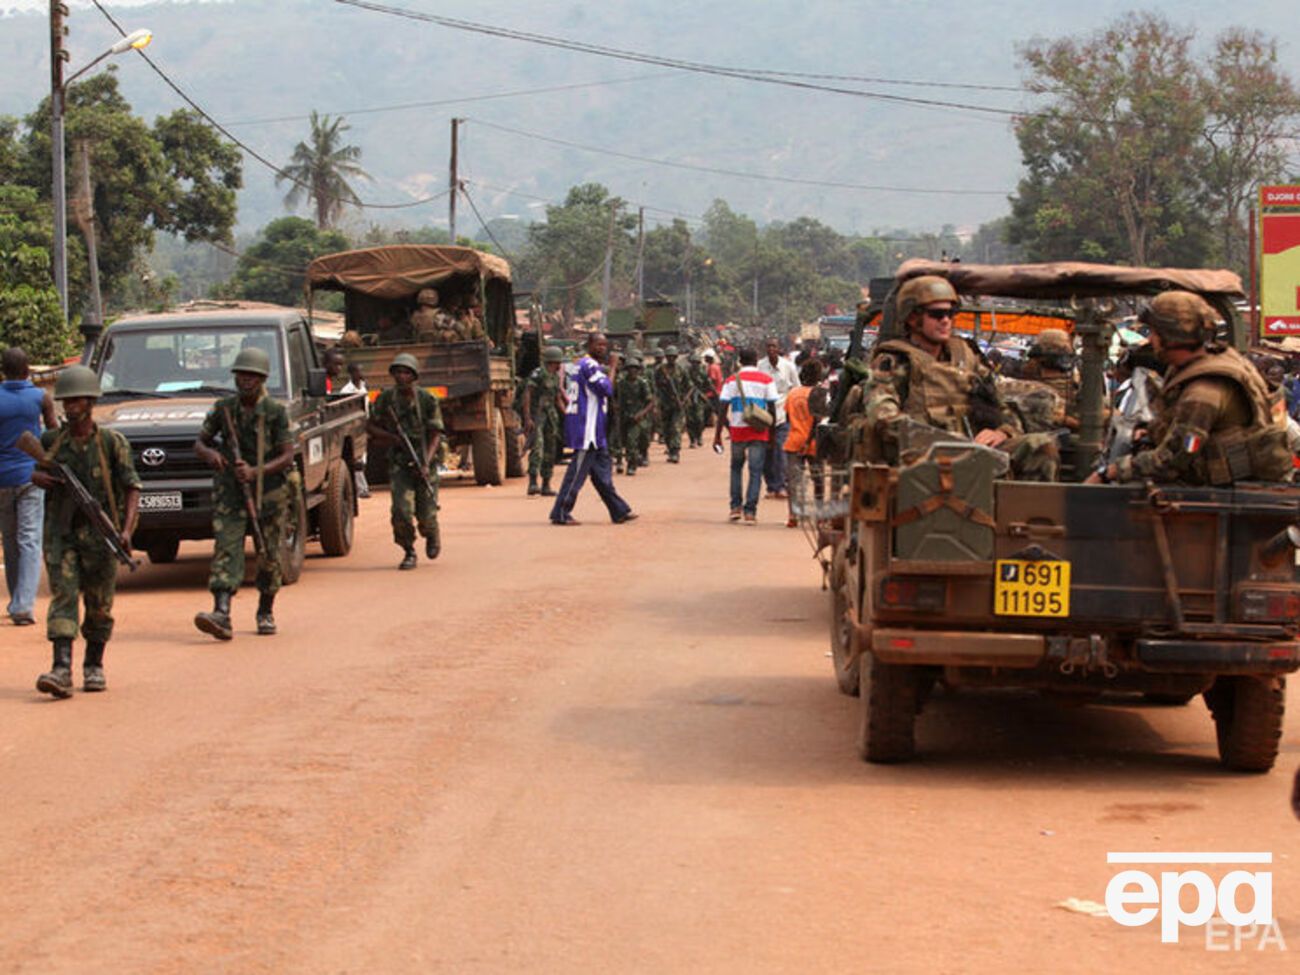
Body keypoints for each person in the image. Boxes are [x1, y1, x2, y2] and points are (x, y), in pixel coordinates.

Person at [849, 275, 1056, 481]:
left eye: (951, 313)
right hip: (923, 458)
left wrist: (1002, 432)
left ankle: (1028, 513)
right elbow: (883, 418)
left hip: (977, 451)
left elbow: (1003, 406)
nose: (946, 320)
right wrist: (946, 442)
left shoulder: (968, 357)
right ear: (912, 318)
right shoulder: (895, 362)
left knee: (1040, 445)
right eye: (937, 314)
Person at [1087, 291, 1291, 486]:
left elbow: (1171, 461)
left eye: (1155, 333)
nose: (1150, 341)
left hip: (1216, 497)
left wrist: (1110, 472)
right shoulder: (1209, 362)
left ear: (1170, 336)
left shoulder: (1204, 391)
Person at [30, 366, 140, 697]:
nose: (71, 406)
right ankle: (60, 668)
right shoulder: (51, 441)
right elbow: (36, 470)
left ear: (91, 402)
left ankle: (94, 665)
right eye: (67, 401)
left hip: (100, 536)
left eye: (77, 400)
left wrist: (126, 530)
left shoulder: (111, 443)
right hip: (62, 533)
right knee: (63, 595)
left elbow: (132, 487)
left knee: (99, 604)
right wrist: (40, 478)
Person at [192, 347, 295, 640]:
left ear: (262, 379)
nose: (246, 380)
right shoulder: (224, 408)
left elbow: (287, 455)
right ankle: (221, 613)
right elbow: (199, 442)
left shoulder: (275, 412)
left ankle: (265, 609)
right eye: (241, 375)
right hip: (231, 491)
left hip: (269, 491)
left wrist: (255, 472)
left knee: (269, 552)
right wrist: (210, 454)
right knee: (226, 548)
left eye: (252, 376)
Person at [549, 332, 636, 526]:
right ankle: (561, 512)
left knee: (602, 473)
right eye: (598, 345)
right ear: (589, 345)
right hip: (586, 429)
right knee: (576, 473)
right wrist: (613, 368)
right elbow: (606, 389)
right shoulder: (588, 365)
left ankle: (618, 510)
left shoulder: (577, 366)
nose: (602, 348)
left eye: (605, 345)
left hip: (595, 429)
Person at [367, 353, 443, 569]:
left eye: (406, 372)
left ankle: (432, 533)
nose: (401, 376)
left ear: (414, 376)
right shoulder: (386, 399)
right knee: (401, 510)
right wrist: (391, 438)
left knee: (426, 513)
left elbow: (436, 433)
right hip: (400, 462)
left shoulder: (427, 400)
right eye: (398, 372)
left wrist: (426, 463)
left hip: (424, 459)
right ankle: (409, 550)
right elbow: (370, 425)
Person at [1, 347, 55, 625]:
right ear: (27, 370)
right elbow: (54, 434)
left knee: (10, 542)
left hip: (2, 480)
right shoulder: (40, 397)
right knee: (30, 539)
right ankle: (23, 605)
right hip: (31, 477)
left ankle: (16, 601)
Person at [713, 347, 777, 525]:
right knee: (755, 472)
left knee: (736, 469)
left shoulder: (731, 380)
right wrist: (772, 434)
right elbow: (772, 407)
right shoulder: (766, 380)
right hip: (759, 430)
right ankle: (750, 512)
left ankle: (735, 508)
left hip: (738, 430)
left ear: (740, 361)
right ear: (757, 360)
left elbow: (722, 408)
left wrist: (718, 435)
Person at [783, 358, 825, 528]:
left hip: (793, 441)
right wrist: (808, 441)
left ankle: (793, 515)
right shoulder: (819, 393)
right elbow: (818, 419)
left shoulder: (793, 393)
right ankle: (820, 515)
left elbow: (787, 418)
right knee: (818, 480)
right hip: (814, 442)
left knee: (794, 481)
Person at [757, 338, 799, 498]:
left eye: (774, 346)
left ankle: (781, 485)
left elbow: (796, 388)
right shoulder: (760, 366)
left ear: (778, 348)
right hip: (764, 415)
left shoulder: (788, 366)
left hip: (783, 414)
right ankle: (771, 486)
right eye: (768, 346)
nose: (771, 349)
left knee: (780, 451)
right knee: (767, 453)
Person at [523, 346, 565, 496]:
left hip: (551, 416)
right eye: (559, 361)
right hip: (537, 415)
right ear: (553, 361)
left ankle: (546, 484)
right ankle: (533, 483)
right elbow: (527, 395)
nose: (560, 364)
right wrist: (528, 418)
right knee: (537, 448)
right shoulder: (538, 374)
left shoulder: (555, 377)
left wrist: (567, 414)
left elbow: (557, 398)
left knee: (550, 450)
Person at [614, 352, 655, 476]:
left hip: (637, 417)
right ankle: (620, 461)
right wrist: (615, 406)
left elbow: (650, 402)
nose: (632, 371)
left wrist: (641, 414)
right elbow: (614, 396)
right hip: (623, 416)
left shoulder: (642, 383)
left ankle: (632, 465)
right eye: (630, 368)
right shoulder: (621, 383)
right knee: (620, 441)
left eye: (635, 369)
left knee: (633, 441)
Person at [339, 361, 371, 499]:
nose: (361, 374)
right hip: (353, 427)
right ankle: (361, 489)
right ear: (352, 374)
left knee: (362, 458)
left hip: (363, 424)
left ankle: (361, 487)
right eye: (359, 371)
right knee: (356, 460)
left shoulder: (363, 388)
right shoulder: (346, 391)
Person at [653, 346, 685, 463]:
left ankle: (675, 452)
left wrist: (683, 400)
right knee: (666, 429)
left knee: (676, 428)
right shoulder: (660, 370)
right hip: (664, 404)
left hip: (677, 405)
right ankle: (670, 449)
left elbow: (690, 386)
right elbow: (654, 387)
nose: (671, 358)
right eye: (669, 356)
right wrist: (655, 403)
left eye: (673, 356)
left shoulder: (681, 370)